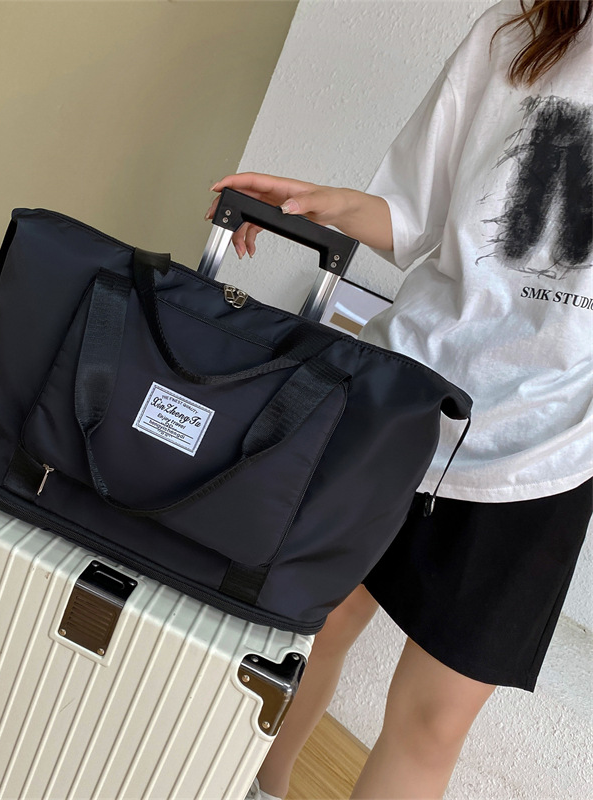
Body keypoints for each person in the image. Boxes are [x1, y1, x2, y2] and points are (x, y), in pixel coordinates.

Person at [205, 1, 592, 797]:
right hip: (406, 395)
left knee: (432, 720)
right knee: (303, 633)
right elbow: (415, 215)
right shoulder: (520, 28)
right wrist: (317, 201)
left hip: (546, 451)